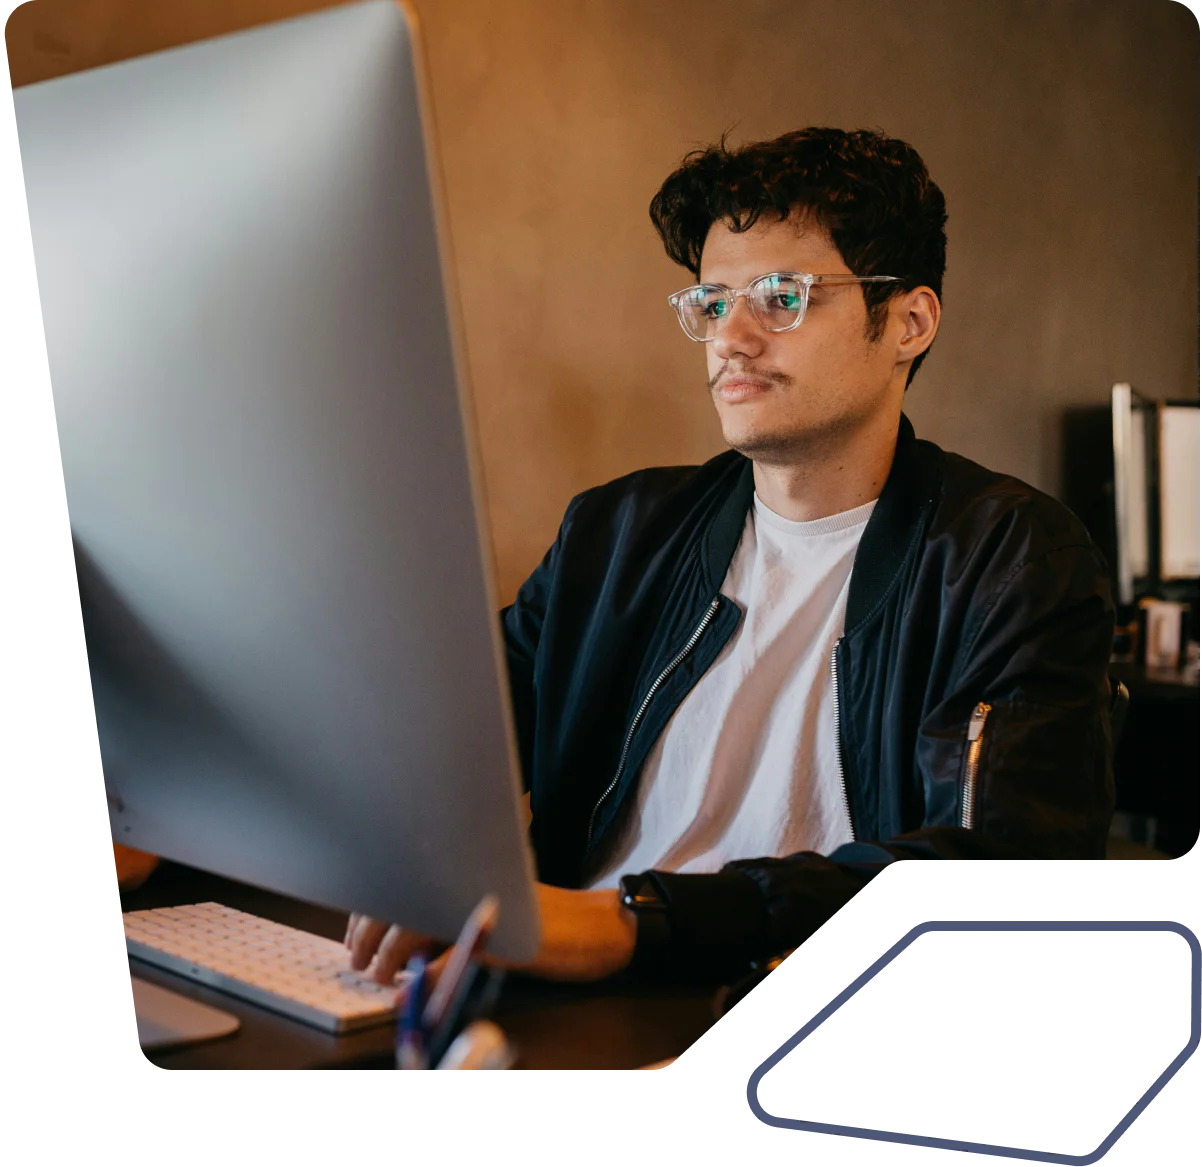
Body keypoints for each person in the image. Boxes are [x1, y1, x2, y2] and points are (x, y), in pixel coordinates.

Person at [345, 126, 1115, 988]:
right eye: (712, 303)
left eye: (781, 296)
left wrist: (634, 920)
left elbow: (1006, 872)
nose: (732, 337)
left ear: (907, 320)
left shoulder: (1008, 556)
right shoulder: (619, 532)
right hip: (542, 991)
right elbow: (441, 747)